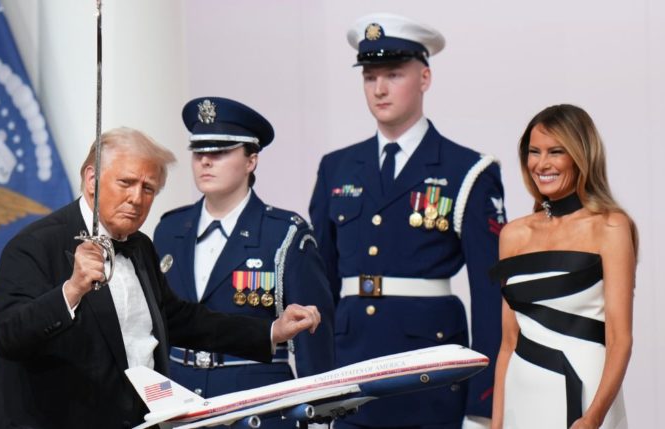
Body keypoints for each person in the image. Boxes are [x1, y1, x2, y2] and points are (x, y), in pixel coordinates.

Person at [0, 127, 321, 429]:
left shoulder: (139, 246)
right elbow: (8, 335)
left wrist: (270, 331)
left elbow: (178, 318)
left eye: (149, 188)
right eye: (125, 182)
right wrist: (71, 290)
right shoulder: (34, 245)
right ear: (92, 180)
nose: (136, 199)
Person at [309, 13, 506, 429]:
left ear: (425, 78)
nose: (379, 89)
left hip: (429, 378)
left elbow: (491, 297)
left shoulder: (467, 170)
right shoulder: (337, 168)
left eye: (394, 74)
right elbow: (318, 287)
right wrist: (312, 388)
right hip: (348, 375)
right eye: (369, 77)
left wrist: (482, 405)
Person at [153, 97, 335, 427]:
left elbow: (312, 332)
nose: (205, 161)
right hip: (178, 403)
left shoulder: (285, 234)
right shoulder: (168, 230)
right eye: (199, 152)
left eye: (220, 151)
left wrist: (320, 412)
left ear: (251, 160)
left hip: (256, 404)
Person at [489, 104, 636, 429]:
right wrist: (496, 424)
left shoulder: (611, 227)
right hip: (521, 393)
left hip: (586, 395)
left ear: (581, 156)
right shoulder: (513, 234)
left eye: (556, 151)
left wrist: (593, 417)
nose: (542, 164)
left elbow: (619, 337)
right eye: (534, 152)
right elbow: (508, 343)